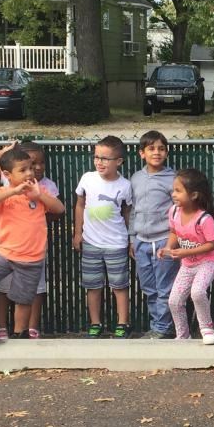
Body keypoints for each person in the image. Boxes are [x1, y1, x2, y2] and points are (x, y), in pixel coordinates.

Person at [0, 147, 65, 344]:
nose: (30, 173)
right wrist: (12, 191)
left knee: (23, 302)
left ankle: (20, 335)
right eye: (23, 170)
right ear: (7, 174)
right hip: (5, 255)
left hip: (31, 259)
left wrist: (38, 195)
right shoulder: (3, 193)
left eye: (30, 168)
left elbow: (59, 208)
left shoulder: (40, 191)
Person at [73, 136, 133, 338]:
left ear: (119, 161)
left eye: (105, 158)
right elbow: (80, 205)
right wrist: (77, 233)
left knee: (119, 285)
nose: (99, 162)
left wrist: (129, 238)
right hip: (91, 242)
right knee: (93, 285)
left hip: (116, 243)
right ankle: (95, 322)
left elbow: (127, 212)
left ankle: (123, 323)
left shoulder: (125, 185)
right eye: (96, 157)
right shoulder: (87, 179)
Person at [161, 169, 214, 344]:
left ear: (194, 195)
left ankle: (207, 328)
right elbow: (174, 232)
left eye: (178, 191)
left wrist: (185, 252)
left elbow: (213, 244)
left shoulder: (204, 219)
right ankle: (182, 335)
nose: (174, 194)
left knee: (197, 291)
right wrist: (167, 247)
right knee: (174, 301)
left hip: (207, 262)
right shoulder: (173, 212)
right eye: (174, 190)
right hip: (187, 264)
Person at [130, 131, 179, 339]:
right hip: (141, 242)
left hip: (164, 241)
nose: (156, 152)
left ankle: (162, 329)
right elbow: (132, 210)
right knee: (150, 288)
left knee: (165, 288)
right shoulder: (135, 178)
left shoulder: (174, 178)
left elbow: (179, 211)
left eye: (161, 148)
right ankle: (158, 326)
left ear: (166, 152)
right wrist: (132, 239)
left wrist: (171, 242)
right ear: (142, 153)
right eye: (151, 149)